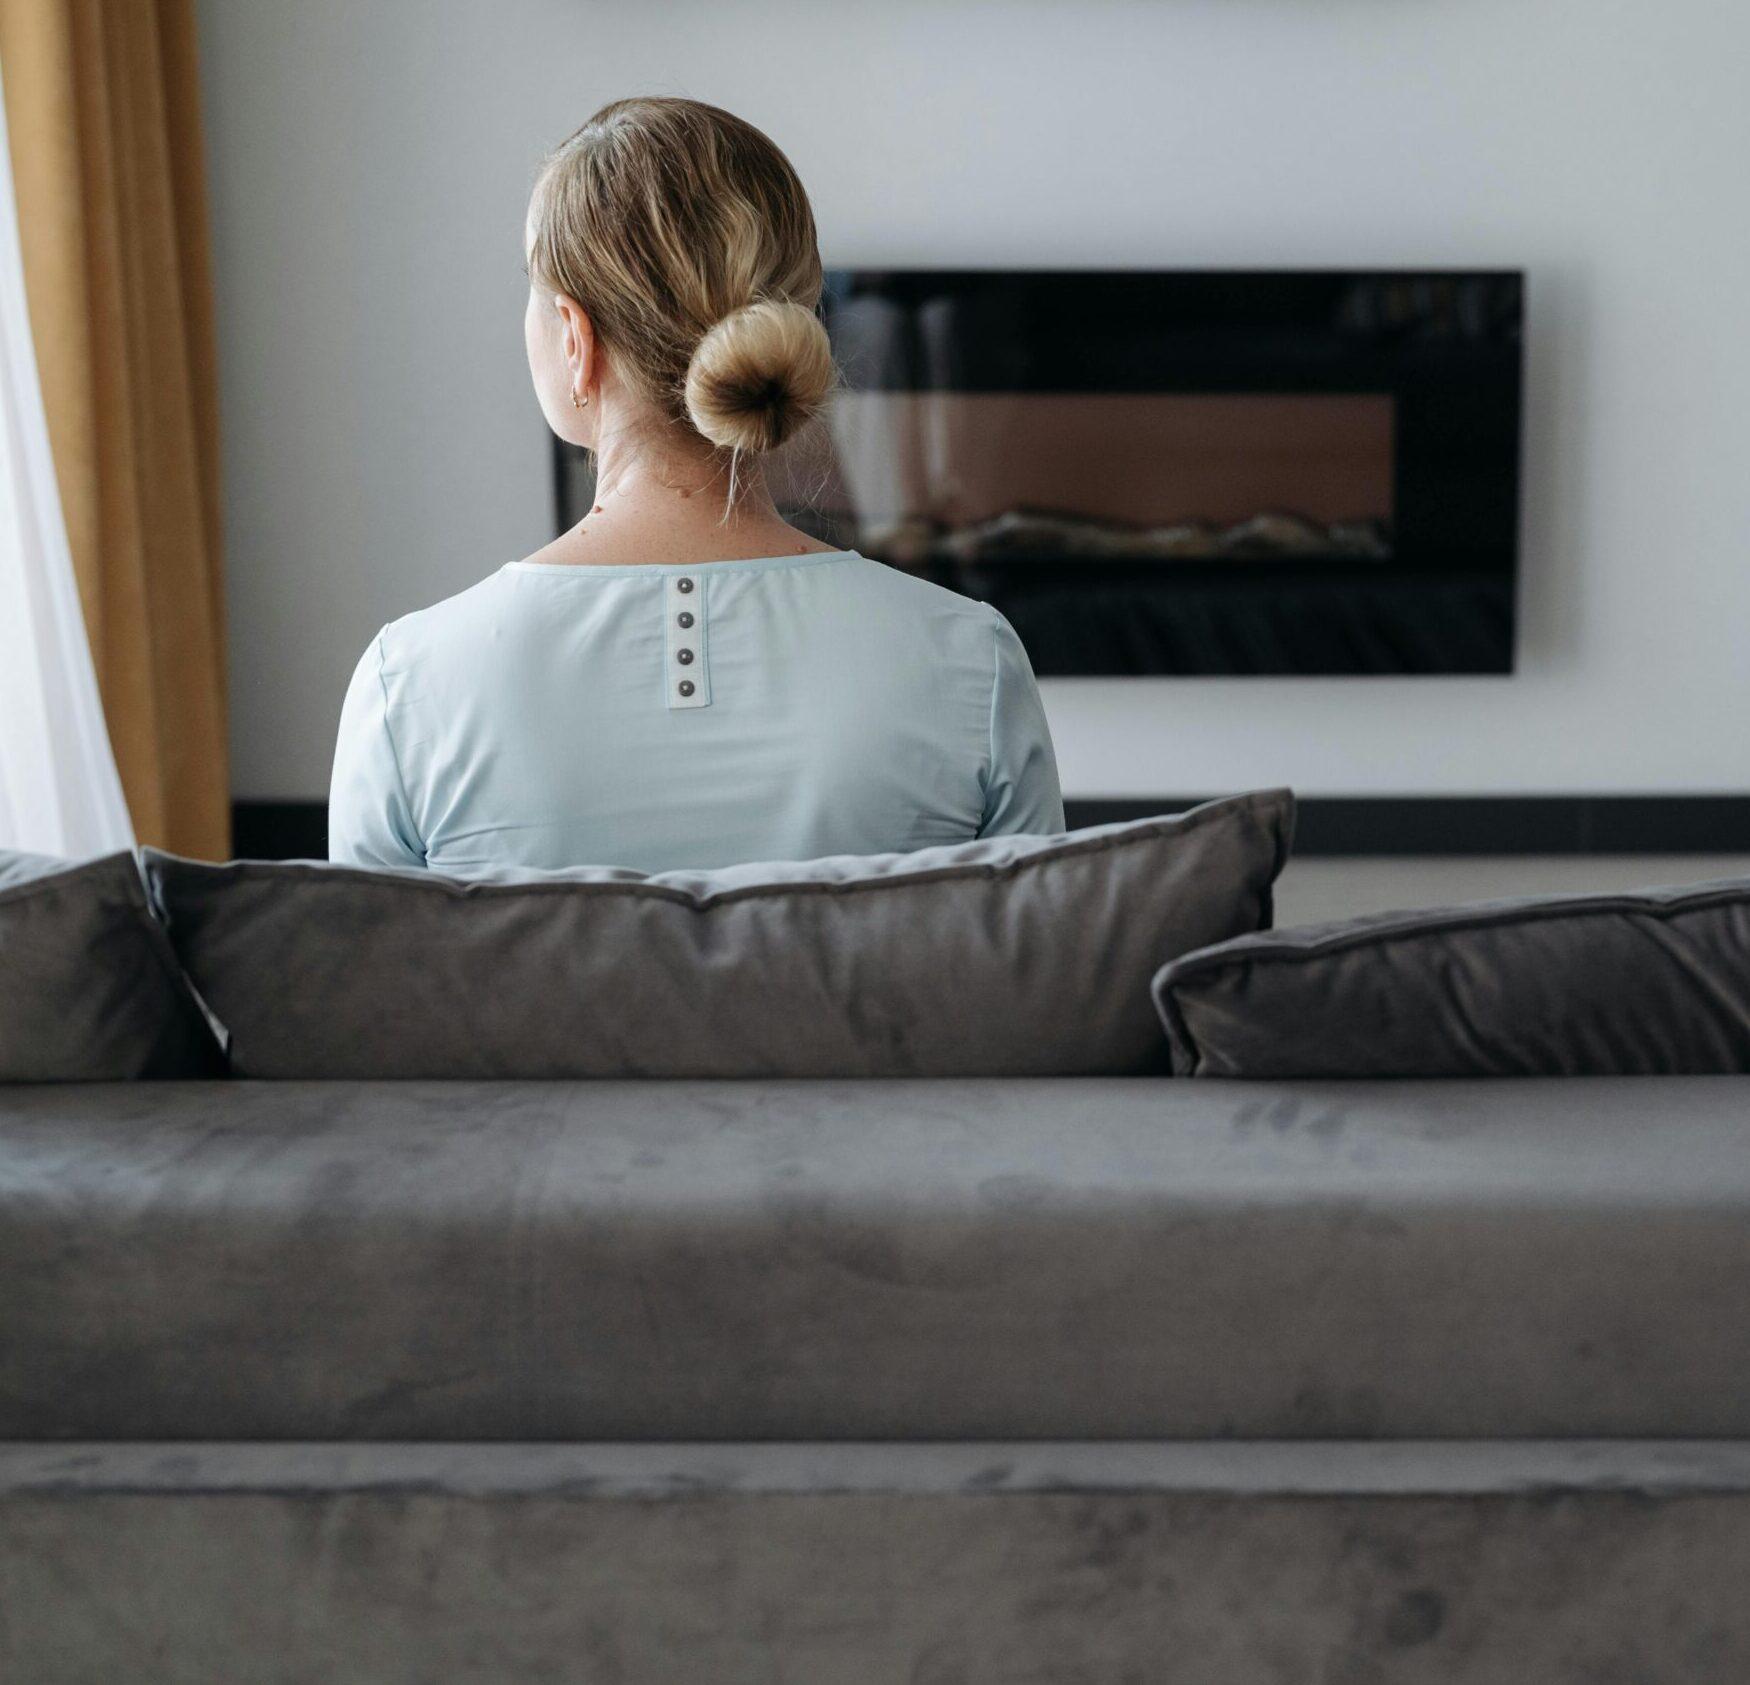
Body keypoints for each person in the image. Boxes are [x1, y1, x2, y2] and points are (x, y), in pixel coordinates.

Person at [329, 96, 1062, 875]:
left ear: (575, 340)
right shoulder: (971, 663)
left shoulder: (407, 685)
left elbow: (374, 993)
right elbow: (1031, 981)